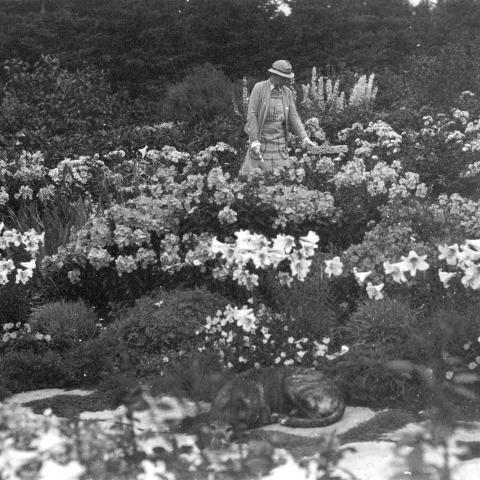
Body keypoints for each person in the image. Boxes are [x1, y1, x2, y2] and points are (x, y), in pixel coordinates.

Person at [240, 59, 317, 174]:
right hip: (262, 144)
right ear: (273, 75)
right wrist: (255, 140)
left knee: (282, 178)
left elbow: (293, 116)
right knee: (257, 179)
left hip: (280, 145)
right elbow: (252, 115)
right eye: (283, 77)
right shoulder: (259, 88)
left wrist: (304, 138)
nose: (286, 81)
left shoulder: (287, 92)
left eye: (287, 78)